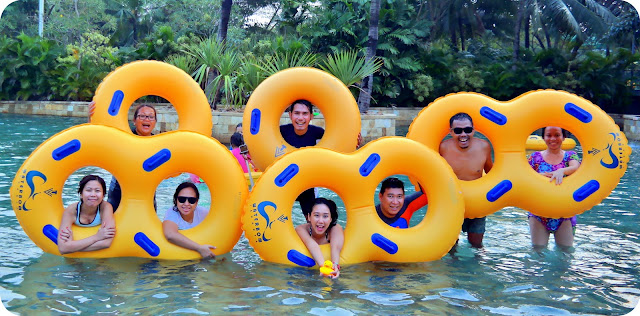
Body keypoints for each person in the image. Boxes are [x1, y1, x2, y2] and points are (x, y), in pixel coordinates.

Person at [89, 102, 158, 211]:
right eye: (142, 116)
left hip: (146, 195)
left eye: (151, 117)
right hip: (118, 193)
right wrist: (92, 118)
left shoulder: (160, 145)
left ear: (154, 122)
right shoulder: (122, 138)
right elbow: (99, 141)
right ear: (134, 121)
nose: (147, 119)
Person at [439, 112, 493, 248]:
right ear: (451, 132)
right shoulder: (443, 148)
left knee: (477, 246)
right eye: (458, 130)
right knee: (451, 246)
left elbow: (492, 173)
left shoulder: (484, 147)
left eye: (468, 130)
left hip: (477, 202)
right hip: (452, 202)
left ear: (473, 130)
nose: (463, 135)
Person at [528, 126, 580, 249]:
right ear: (543, 137)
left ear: (564, 137)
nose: (553, 139)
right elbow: (524, 177)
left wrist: (562, 171)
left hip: (565, 213)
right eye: (548, 135)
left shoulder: (571, 156)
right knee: (538, 253)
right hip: (538, 213)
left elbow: (576, 167)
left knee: (565, 254)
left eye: (557, 135)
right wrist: (540, 177)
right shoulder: (535, 157)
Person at [57, 175, 116, 254]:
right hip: (73, 258)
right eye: (88, 190)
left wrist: (71, 247)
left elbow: (106, 243)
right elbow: (62, 248)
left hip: (99, 256)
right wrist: (97, 237)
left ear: (103, 195)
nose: (93, 194)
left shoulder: (105, 207)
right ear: (81, 194)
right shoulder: (71, 211)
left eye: (97, 191)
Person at [162, 182, 216, 258]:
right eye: (182, 199)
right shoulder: (172, 212)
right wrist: (199, 248)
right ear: (176, 200)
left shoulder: (203, 213)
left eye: (191, 200)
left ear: (196, 202)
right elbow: (170, 235)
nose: (186, 204)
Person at [295, 198, 344, 278]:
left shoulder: (335, 229)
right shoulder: (301, 229)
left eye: (325, 216)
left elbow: (336, 248)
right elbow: (311, 244)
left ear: (330, 219)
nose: (321, 221)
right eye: (316, 215)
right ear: (309, 217)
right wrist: (323, 266)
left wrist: (335, 265)